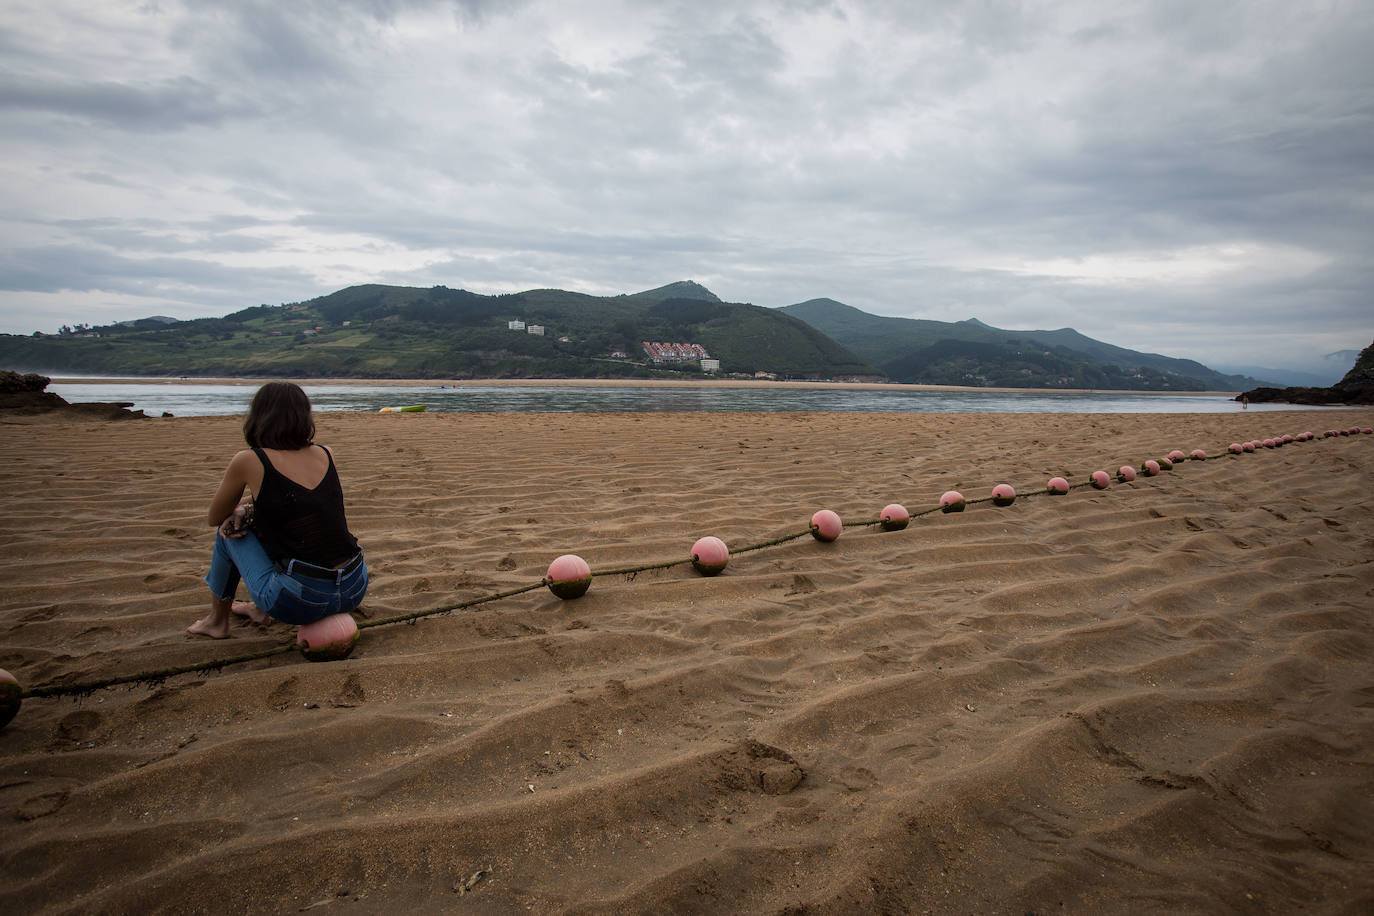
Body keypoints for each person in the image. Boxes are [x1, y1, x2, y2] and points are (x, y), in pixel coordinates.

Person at [188, 382, 367, 638]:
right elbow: (298, 507)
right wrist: (248, 511)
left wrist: (240, 511)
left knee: (226, 530)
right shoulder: (326, 453)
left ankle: (217, 621)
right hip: (353, 588)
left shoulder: (249, 460)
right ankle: (256, 607)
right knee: (273, 527)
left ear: (259, 416)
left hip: (300, 600)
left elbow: (214, 517)